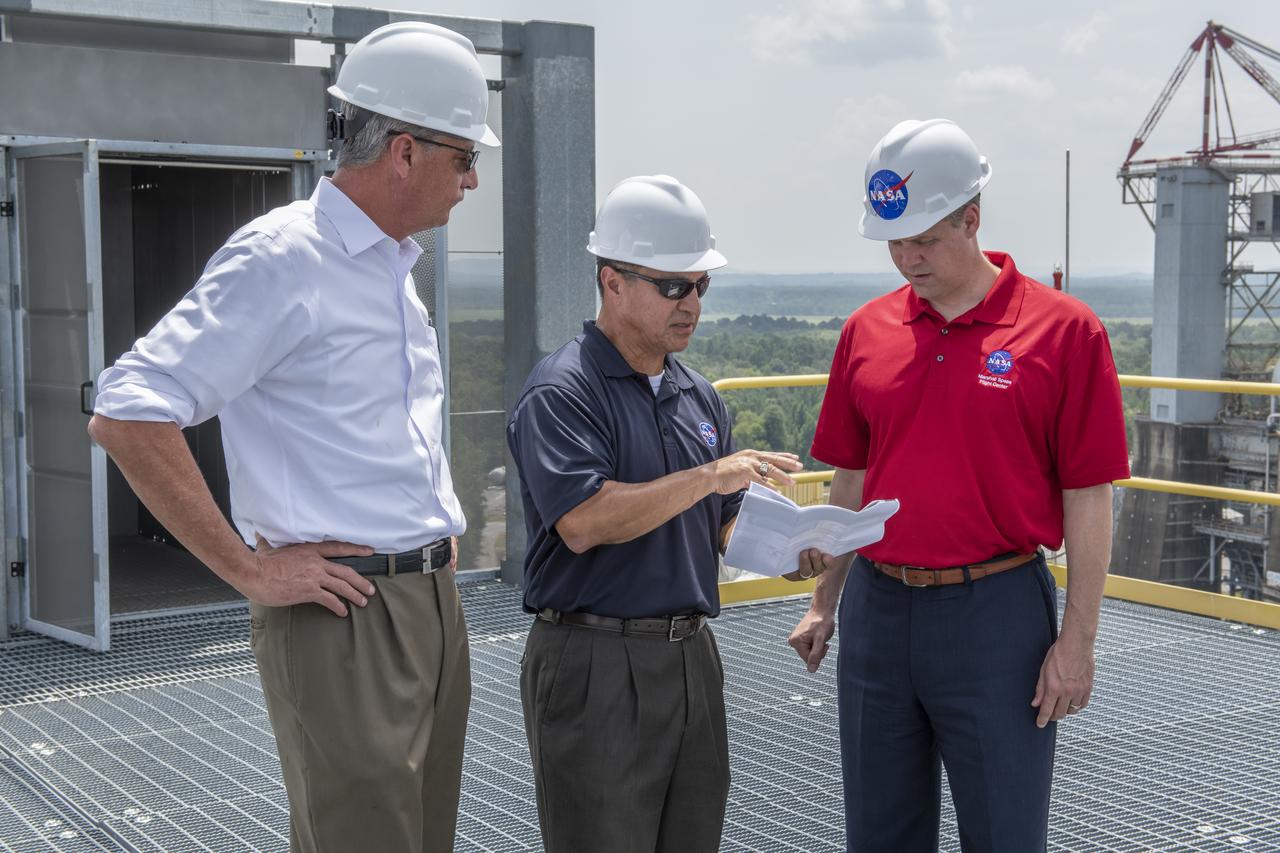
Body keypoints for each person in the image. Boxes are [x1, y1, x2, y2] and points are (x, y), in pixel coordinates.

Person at [86, 22, 498, 853]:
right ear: (406, 152)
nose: (474, 179)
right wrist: (247, 567)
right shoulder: (284, 258)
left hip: (427, 602)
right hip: (345, 613)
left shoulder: (389, 267)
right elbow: (127, 408)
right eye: (463, 157)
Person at [788, 119, 1130, 852]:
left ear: (972, 218)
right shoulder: (865, 331)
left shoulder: (1066, 332)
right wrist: (825, 601)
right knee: (878, 836)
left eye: (925, 241)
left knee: (1005, 834)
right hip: (879, 612)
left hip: (997, 615)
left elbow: (1088, 496)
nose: (907, 259)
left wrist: (1078, 641)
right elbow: (852, 476)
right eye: (894, 242)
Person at [507, 175, 805, 853]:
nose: (692, 303)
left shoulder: (697, 395)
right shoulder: (563, 391)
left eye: (702, 285)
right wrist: (708, 475)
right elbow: (583, 519)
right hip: (594, 662)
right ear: (612, 281)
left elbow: (724, 521)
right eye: (674, 285)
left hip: (690, 657)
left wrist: (792, 552)